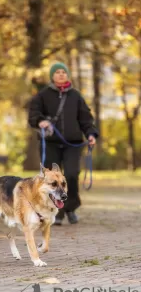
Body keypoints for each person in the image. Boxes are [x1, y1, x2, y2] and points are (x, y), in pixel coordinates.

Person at [28, 62, 99, 225]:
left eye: (64, 72)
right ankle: (55, 212)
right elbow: (33, 114)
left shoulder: (75, 96)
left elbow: (86, 118)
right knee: (50, 180)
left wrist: (90, 134)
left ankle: (71, 208)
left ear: (67, 75)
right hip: (50, 143)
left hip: (72, 144)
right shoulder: (42, 95)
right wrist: (40, 121)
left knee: (72, 175)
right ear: (52, 76)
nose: (61, 74)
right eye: (57, 72)